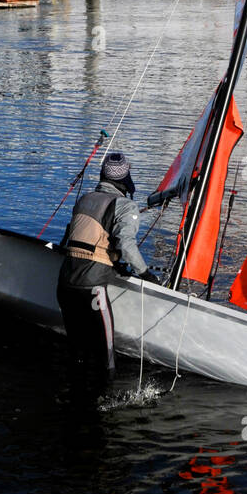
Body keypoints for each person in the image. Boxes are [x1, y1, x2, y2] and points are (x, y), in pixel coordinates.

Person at [56, 151, 158, 376]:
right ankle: (105, 401)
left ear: (103, 175)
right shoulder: (125, 206)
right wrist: (146, 274)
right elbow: (126, 245)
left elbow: (71, 241)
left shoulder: (84, 199)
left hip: (64, 285)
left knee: (76, 353)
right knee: (107, 357)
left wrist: (113, 262)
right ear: (125, 179)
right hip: (92, 289)